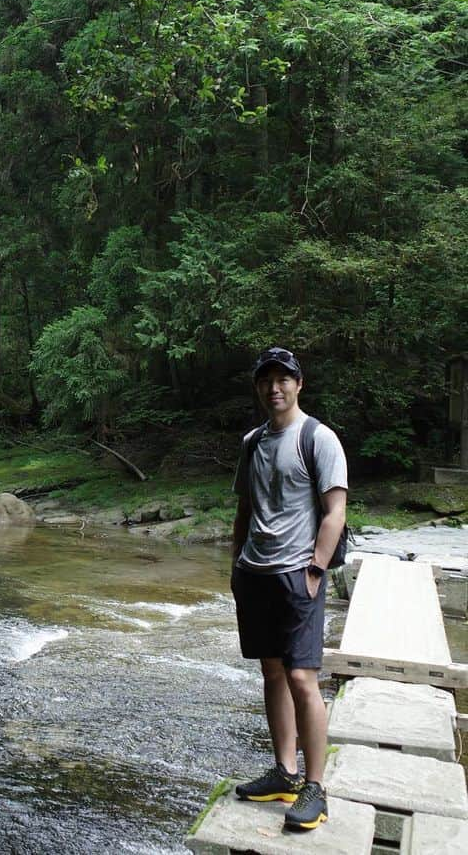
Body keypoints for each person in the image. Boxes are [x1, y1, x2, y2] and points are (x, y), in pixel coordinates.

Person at [229, 346, 348, 833]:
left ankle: (314, 789)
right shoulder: (252, 441)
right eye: (266, 380)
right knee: (272, 673)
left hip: (298, 575)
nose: (274, 387)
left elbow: (335, 511)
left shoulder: (319, 438)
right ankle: (285, 772)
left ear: (299, 384)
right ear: (259, 387)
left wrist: (316, 570)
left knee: (303, 679)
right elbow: (244, 508)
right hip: (254, 573)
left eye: (283, 379)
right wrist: (235, 565)